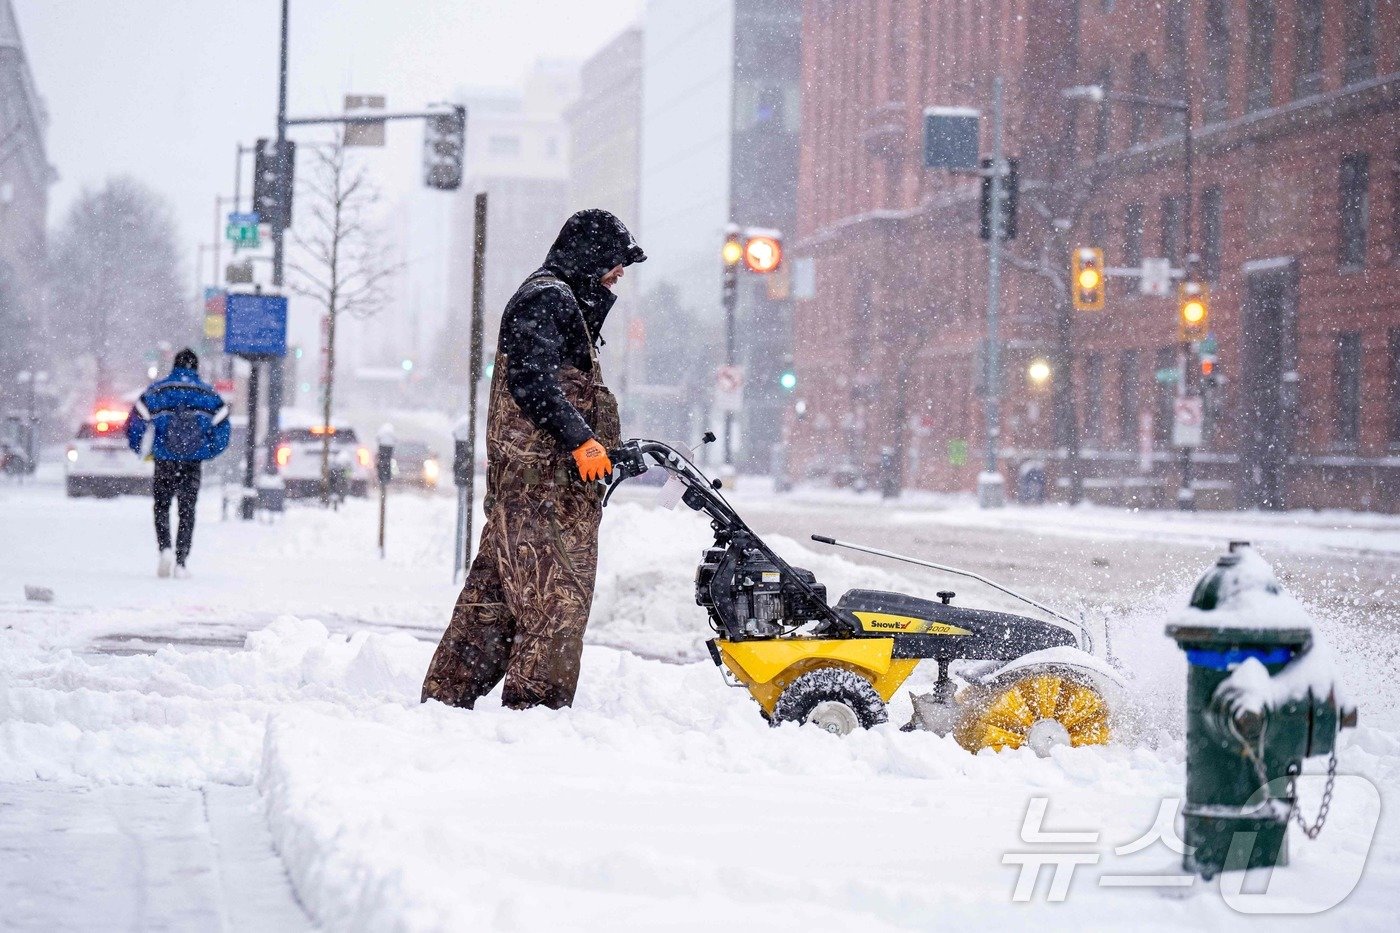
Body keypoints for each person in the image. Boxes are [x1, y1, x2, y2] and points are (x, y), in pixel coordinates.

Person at [422, 209, 645, 710]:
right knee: (555, 607)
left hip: (536, 492)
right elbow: (531, 381)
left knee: (493, 608)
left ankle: (444, 702)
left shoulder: (558, 301)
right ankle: (533, 721)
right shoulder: (547, 298)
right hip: (541, 497)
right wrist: (581, 440)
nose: (619, 274)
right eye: (614, 262)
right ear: (589, 257)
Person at [126, 348, 231, 578]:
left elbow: (136, 418)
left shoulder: (160, 390)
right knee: (187, 510)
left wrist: (140, 448)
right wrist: (209, 450)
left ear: (175, 365)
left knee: (161, 506)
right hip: (193, 461)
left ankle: (165, 548)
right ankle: (181, 561)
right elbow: (223, 425)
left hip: (164, 458)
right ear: (195, 367)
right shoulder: (207, 394)